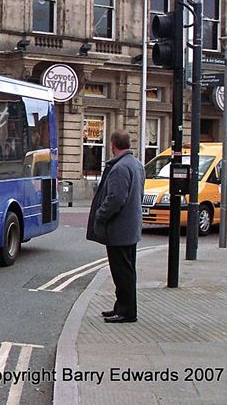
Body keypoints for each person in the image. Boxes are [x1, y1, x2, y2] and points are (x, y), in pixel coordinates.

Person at [87, 130, 145, 324]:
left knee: (121, 273)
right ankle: (121, 307)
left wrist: (100, 215)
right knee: (126, 271)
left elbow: (116, 199)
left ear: (113, 145)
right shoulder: (136, 165)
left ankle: (127, 312)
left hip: (119, 229)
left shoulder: (120, 168)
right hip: (130, 228)